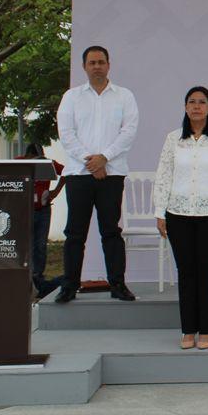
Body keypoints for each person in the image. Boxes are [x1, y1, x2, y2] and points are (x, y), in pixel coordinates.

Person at [153, 86, 208, 350]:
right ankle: (187, 329)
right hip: (178, 214)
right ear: (185, 107)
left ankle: (206, 329)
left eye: (202, 102)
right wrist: (160, 212)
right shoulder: (173, 140)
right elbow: (163, 176)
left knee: (206, 271)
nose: (196, 106)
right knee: (186, 272)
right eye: (191, 102)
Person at [55, 45, 139, 304]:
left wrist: (105, 158)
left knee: (111, 231)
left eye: (101, 62)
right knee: (74, 233)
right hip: (79, 175)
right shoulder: (72, 97)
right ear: (84, 67)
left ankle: (118, 284)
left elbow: (129, 132)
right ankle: (69, 286)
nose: (97, 66)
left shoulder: (124, 96)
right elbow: (66, 134)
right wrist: (91, 161)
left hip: (112, 174)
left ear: (109, 65)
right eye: (92, 63)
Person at [16, 143, 65, 298]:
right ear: (27, 156)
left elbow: (68, 172)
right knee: (27, 243)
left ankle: (38, 276)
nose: (38, 162)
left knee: (41, 244)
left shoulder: (48, 163)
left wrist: (56, 191)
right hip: (25, 210)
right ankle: (27, 276)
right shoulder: (18, 162)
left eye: (40, 159)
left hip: (43, 210)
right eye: (34, 159)